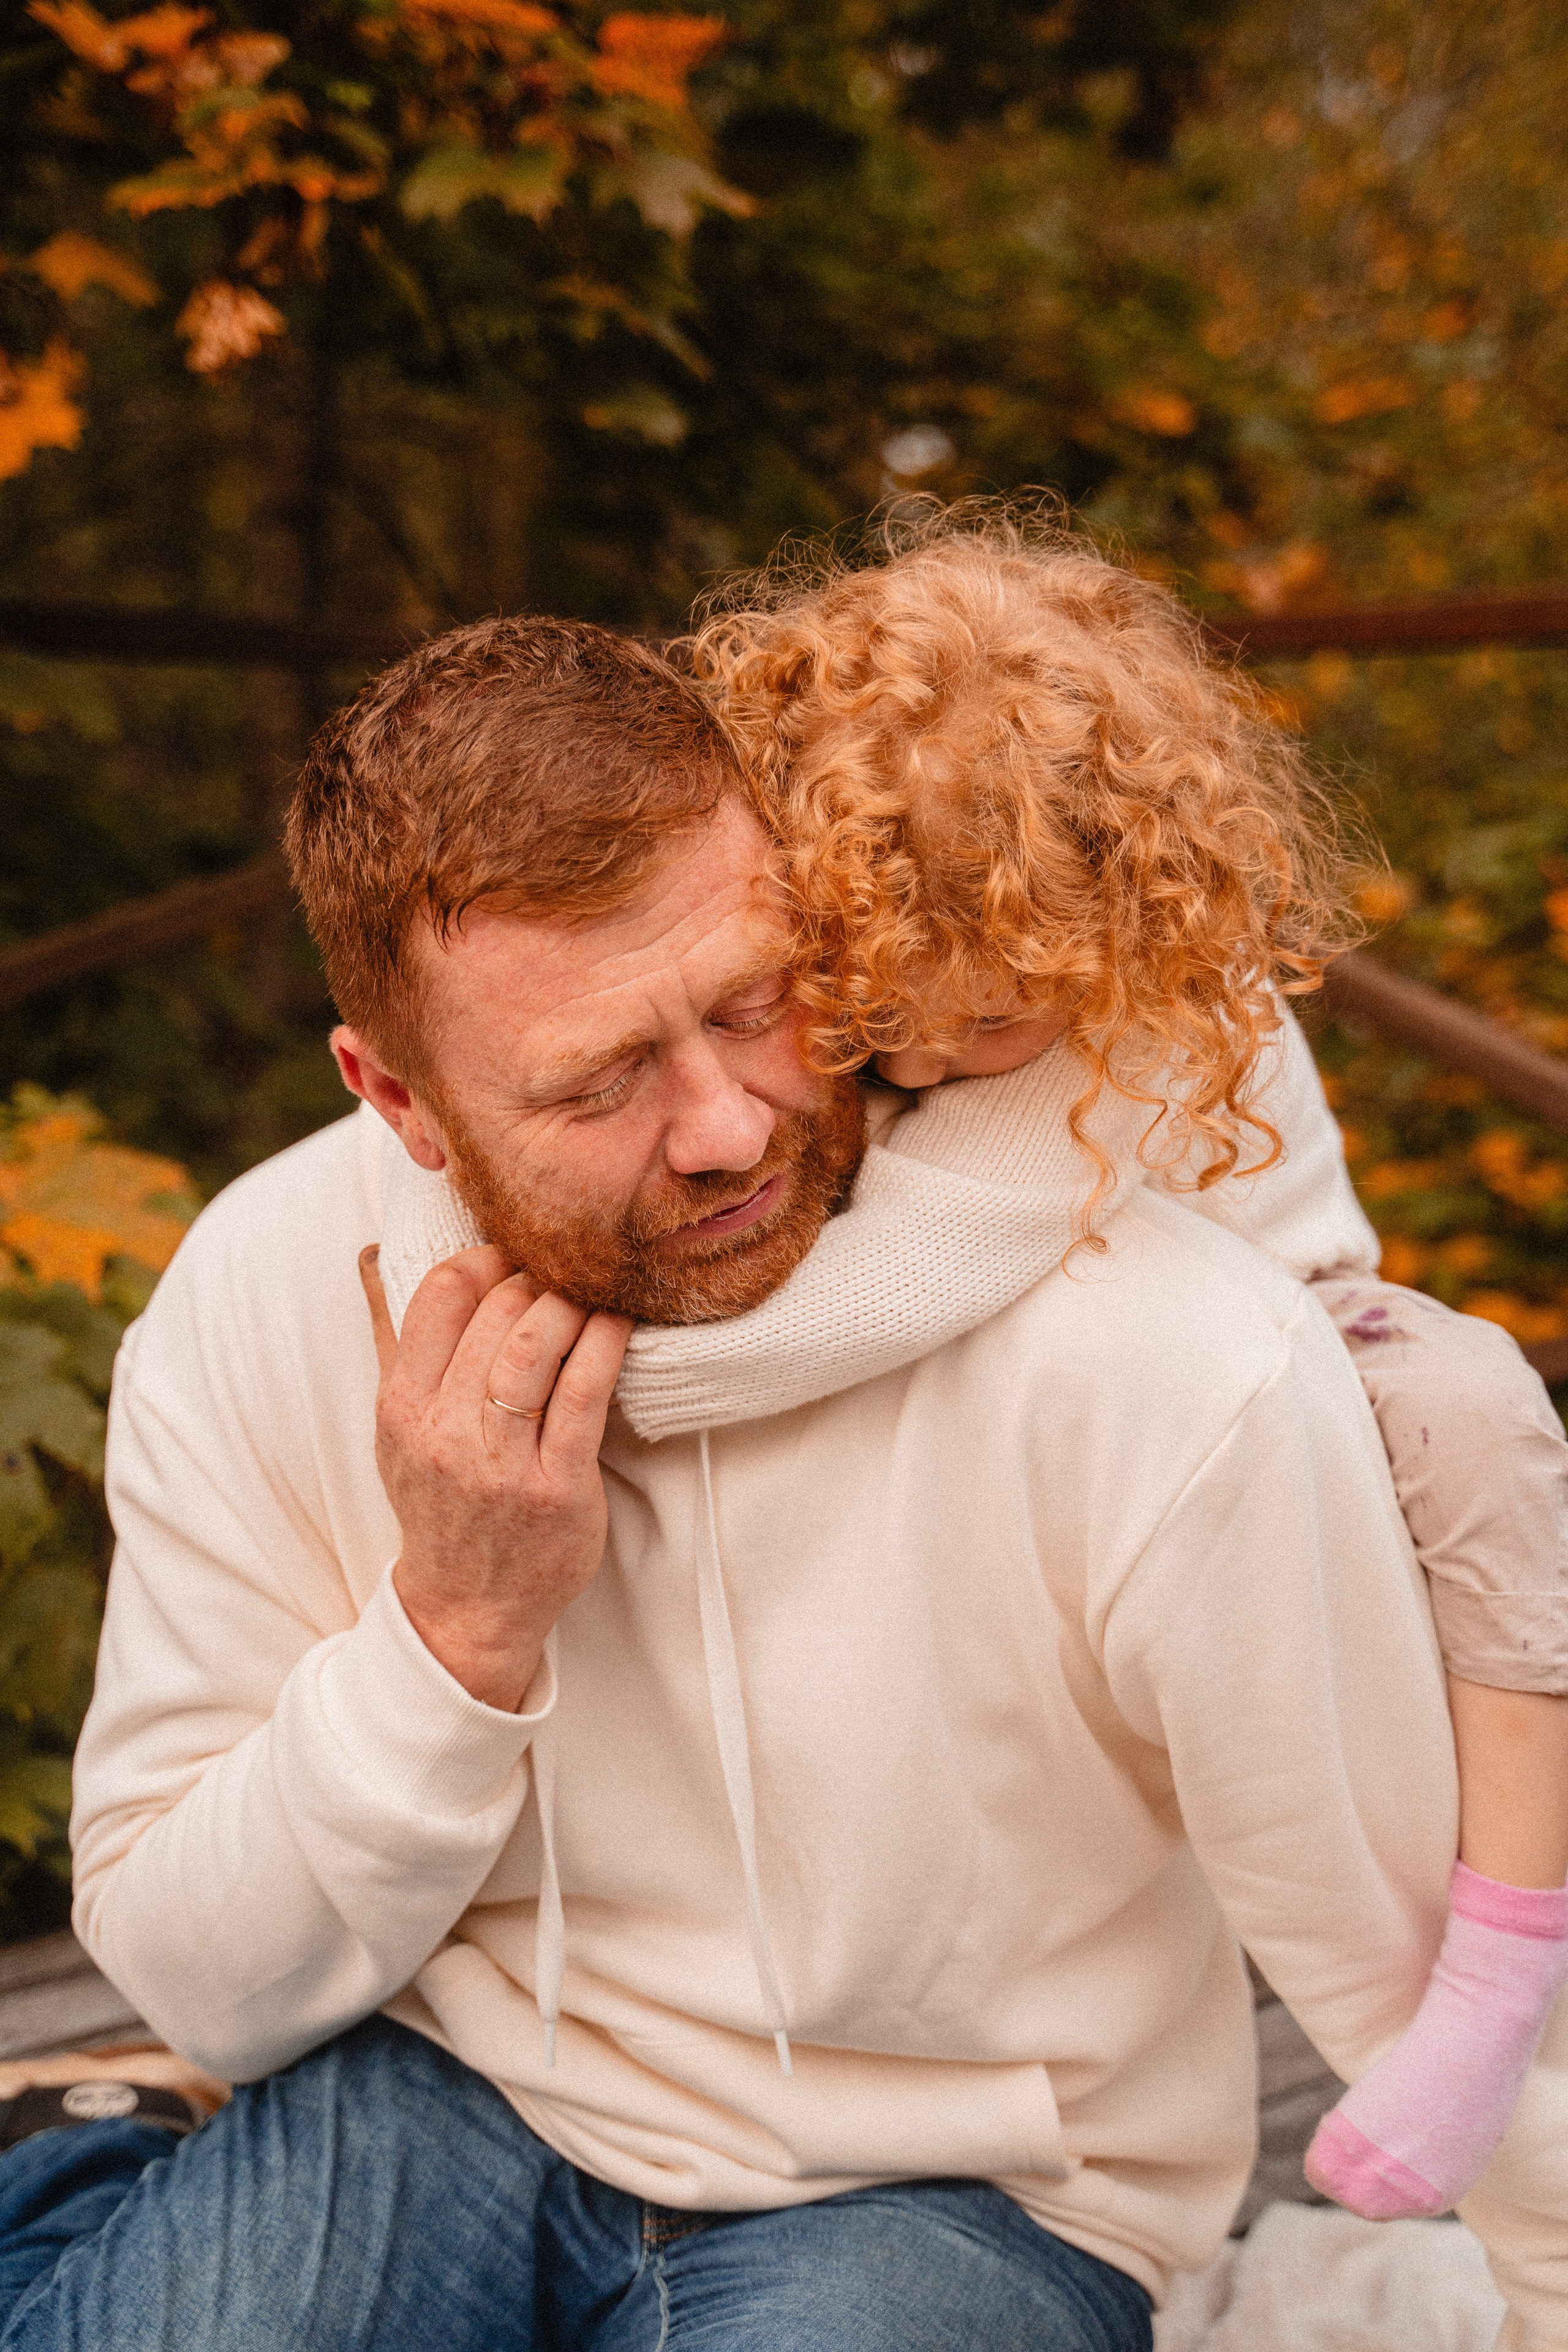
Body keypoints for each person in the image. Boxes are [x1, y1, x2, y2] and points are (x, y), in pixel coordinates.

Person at [2, 609, 1562, 2350]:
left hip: (979, 2195)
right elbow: (196, 1978)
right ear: (402, 1098)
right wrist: (450, 1634)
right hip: (445, 2092)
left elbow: (1427, 1950)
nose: (730, 1125)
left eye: (756, 1003)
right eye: (596, 1081)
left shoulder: (1166, 1355)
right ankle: (74, 2181)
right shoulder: (267, 1286)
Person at [684, 503, 1568, 2229]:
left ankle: (1506, 1955)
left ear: (1122, 918)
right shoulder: (902, 988)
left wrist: (610, 1377)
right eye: (886, 1013)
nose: (935, 1052)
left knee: (1483, 1417)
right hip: (1056, 1432)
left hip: (1308, 1356)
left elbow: (897, 1281)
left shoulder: (1150, 1007)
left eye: (993, 1019)